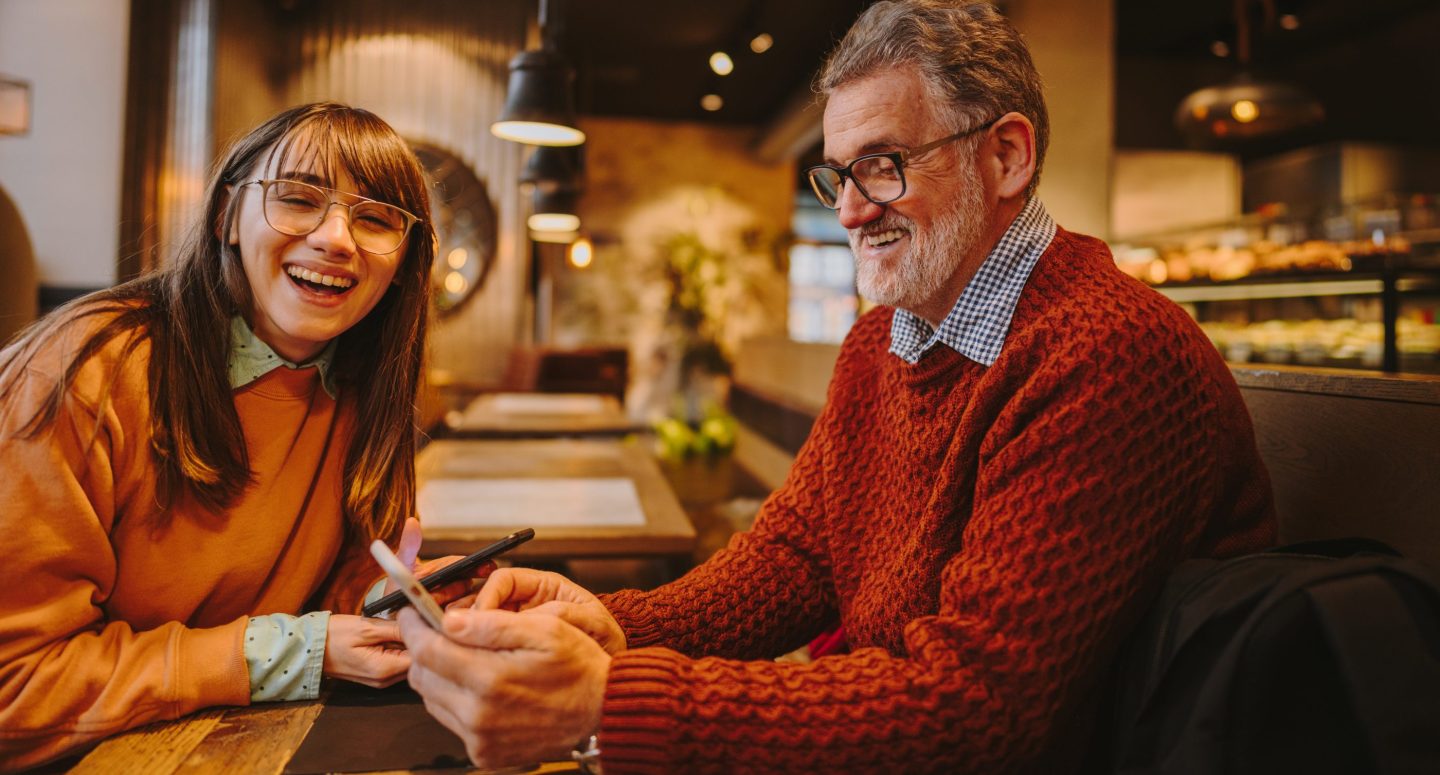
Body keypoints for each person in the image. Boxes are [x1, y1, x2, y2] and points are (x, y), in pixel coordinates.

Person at [398, 2, 1277, 772]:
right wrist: (612, 626)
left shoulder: (1106, 350)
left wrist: (608, 702)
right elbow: (795, 556)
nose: (850, 209)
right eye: (839, 172)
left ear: (1006, 156)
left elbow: (979, 705)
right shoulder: (879, 343)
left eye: (884, 163)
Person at [0, 102, 474, 770]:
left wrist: (389, 601)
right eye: (299, 198)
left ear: (402, 261)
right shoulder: (82, 374)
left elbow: (326, 595)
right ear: (226, 216)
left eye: (374, 218)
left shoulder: (366, 386)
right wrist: (282, 654)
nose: (337, 238)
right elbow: (13, 684)